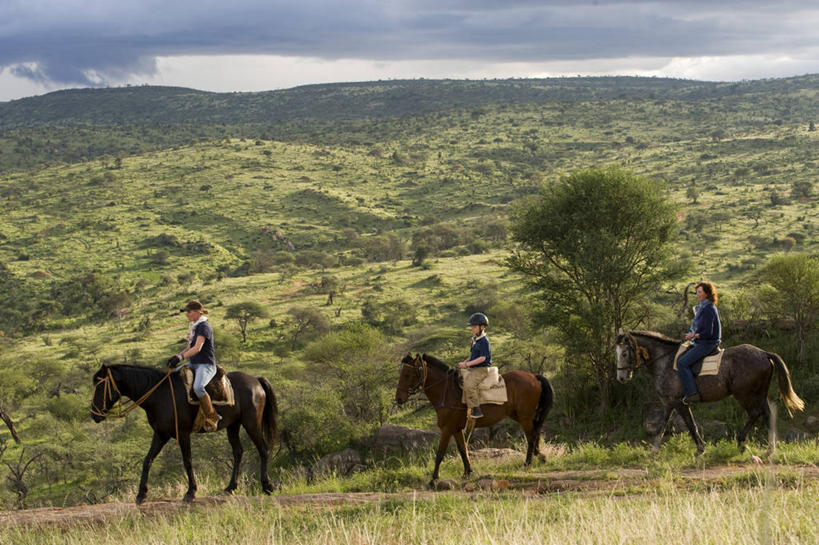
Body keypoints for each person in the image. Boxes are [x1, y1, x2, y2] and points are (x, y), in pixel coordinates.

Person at [166, 300, 221, 432]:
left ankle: (212, 416)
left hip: (205, 365)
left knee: (198, 387)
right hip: (193, 363)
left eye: (189, 312)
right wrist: (176, 357)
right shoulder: (194, 327)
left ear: (197, 312)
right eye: (187, 312)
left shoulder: (204, 327)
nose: (187, 315)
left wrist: (181, 358)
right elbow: (188, 348)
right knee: (170, 376)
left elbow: (197, 348)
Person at [677, 282, 722, 405]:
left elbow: (708, 332)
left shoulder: (708, 308)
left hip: (708, 343)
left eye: (700, 292)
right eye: (697, 292)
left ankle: (692, 393)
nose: (697, 294)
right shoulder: (703, 307)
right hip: (702, 341)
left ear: (707, 293)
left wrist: (693, 335)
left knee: (682, 363)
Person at [458, 312, 492, 419]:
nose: (472, 329)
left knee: (469, 385)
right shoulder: (475, 340)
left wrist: (467, 364)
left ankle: (476, 409)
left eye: (474, 326)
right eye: (472, 326)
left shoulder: (484, 341)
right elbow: (473, 356)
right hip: (474, 367)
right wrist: (464, 363)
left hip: (481, 369)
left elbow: (482, 358)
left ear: (482, 327)